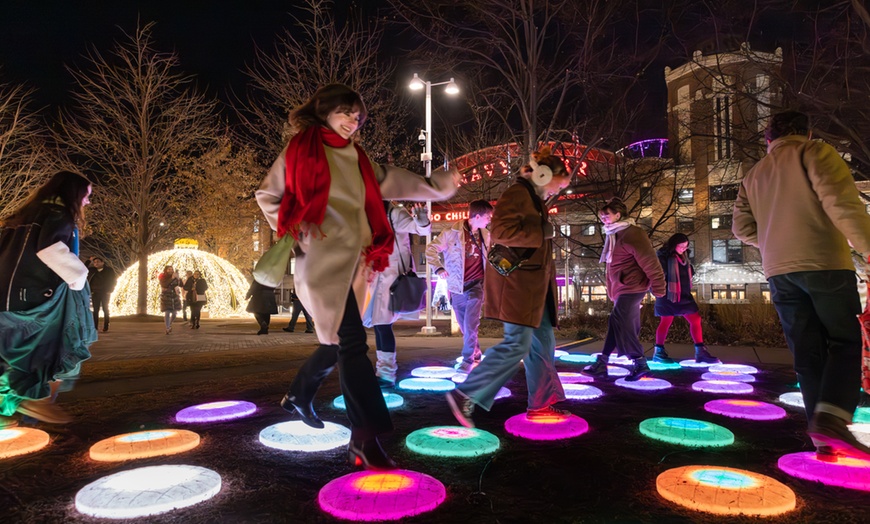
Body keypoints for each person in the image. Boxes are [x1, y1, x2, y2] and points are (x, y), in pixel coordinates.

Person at [255, 84, 457, 470]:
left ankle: (300, 395)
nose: (353, 121)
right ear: (325, 111)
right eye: (346, 112)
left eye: (358, 117)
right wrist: (294, 229)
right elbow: (268, 195)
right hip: (321, 262)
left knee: (338, 343)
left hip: (358, 264)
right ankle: (365, 439)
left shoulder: (358, 158)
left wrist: (436, 188)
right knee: (350, 346)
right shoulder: (301, 149)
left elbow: (394, 179)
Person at [733, 110, 870, 461]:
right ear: (807, 133)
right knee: (845, 339)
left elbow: (741, 230)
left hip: (778, 271)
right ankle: (835, 418)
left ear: (768, 139)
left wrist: (774, 238)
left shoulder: (753, 176)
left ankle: (822, 438)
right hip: (824, 263)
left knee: (806, 354)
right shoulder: (816, 153)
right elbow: (841, 203)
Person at [446, 147, 570, 428]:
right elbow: (502, 233)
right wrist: (542, 232)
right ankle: (465, 393)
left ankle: (542, 403)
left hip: (534, 289)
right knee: (517, 345)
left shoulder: (532, 198)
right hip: (519, 287)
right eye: (557, 184)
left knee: (543, 345)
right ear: (542, 174)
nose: (556, 191)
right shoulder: (518, 194)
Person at [0, 171, 97, 424]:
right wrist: (78, 279)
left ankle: (5, 410)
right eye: (86, 196)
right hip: (34, 299)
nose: (87, 202)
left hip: (6, 299)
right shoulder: (57, 215)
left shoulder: (22, 217)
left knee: (11, 354)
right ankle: (38, 401)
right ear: (73, 194)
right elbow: (51, 250)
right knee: (59, 346)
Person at [584, 198, 666, 381]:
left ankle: (640, 363)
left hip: (632, 286)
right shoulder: (613, 233)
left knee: (622, 323)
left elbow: (650, 261)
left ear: (618, 215)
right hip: (623, 287)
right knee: (616, 323)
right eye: (602, 215)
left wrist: (658, 286)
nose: (603, 218)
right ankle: (602, 362)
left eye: (607, 215)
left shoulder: (633, 233)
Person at [363, 202, 431, 387]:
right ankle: (382, 372)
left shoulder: (394, 213)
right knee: (377, 325)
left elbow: (418, 229)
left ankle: (386, 374)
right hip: (373, 278)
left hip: (392, 278)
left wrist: (423, 222)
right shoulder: (366, 214)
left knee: (382, 325)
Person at [426, 199, 493, 372]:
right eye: (487, 217)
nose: (489, 220)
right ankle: (476, 353)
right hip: (457, 288)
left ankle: (467, 360)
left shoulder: (486, 235)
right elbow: (431, 249)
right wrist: (439, 268)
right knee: (465, 328)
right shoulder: (451, 233)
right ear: (476, 216)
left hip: (476, 285)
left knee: (471, 325)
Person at [652, 234, 718, 364]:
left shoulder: (684, 258)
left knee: (696, 319)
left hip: (684, 295)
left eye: (686, 246)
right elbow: (656, 275)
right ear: (673, 244)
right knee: (666, 321)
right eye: (681, 246)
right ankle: (658, 352)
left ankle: (700, 351)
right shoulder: (663, 257)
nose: (684, 248)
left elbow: (688, 272)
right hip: (668, 295)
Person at [86, 256, 116, 333]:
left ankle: (106, 326)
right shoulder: (92, 270)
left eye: (98, 262)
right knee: (95, 310)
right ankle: (95, 327)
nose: (96, 263)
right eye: (95, 262)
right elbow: (84, 268)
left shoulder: (109, 270)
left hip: (105, 292)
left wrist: (110, 290)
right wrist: (89, 260)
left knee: (105, 309)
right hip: (95, 292)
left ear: (102, 262)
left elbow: (113, 280)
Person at [158, 265, 182, 334]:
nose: (170, 270)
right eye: (169, 269)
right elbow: (164, 284)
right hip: (166, 297)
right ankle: (167, 327)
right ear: (166, 270)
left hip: (174, 297)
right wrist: (172, 278)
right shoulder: (162, 277)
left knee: (174, 313)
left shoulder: (175, 277)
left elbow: (181, 285)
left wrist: (178, 278)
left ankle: (170, 324)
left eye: (171, 269)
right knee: (167, 312)